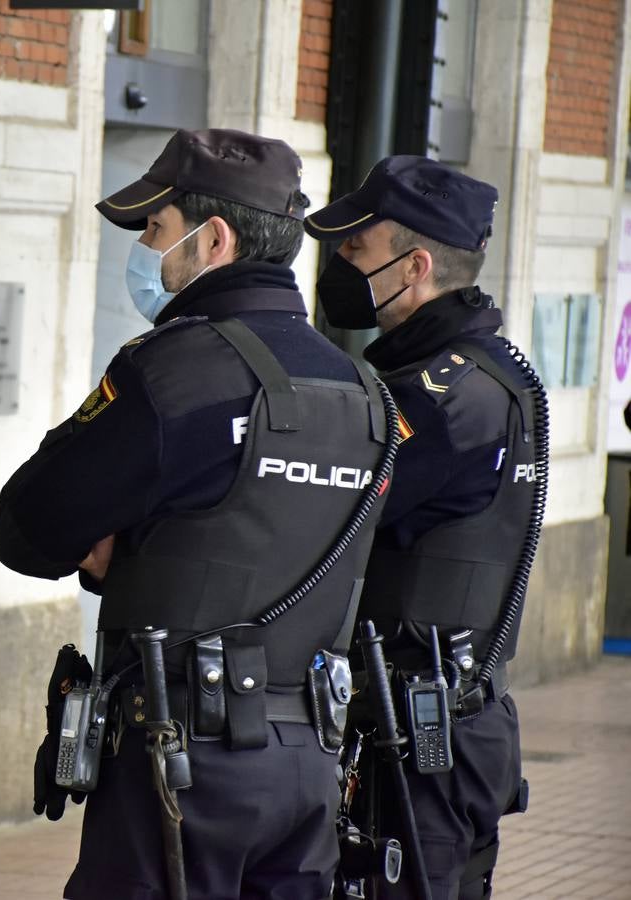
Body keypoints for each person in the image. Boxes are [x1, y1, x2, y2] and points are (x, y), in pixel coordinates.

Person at [0, 128, 395, 899]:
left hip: (182, 764)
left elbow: (28, 526)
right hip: (311, 759)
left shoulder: (173, 370)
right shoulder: (366, 393)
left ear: (214, 240)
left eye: (155, 227)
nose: (144, 249)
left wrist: (126, 537)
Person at [304, 156, 540, 899]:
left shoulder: (439, 400)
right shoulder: (487, 369)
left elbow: (319, 526)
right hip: (457, 725)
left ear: (416, 267)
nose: (339, 263)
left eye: (356, 249)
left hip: (418, 744)